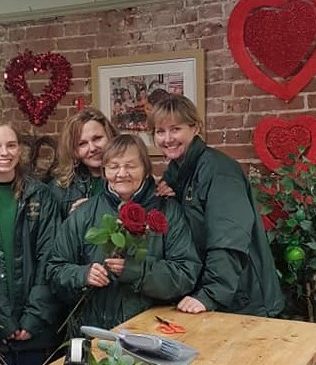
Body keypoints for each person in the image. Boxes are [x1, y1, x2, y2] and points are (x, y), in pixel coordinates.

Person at [47, 134, 201, 332]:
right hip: (94, 331)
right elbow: (54, 270)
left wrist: (136, 271)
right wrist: (82, 274)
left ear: (146, 169)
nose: (122, 173)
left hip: (151, 331)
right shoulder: (84, 214)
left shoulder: (168, 211)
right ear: (104, 172)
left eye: (130, 166)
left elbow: (186, 273)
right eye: (113, 167)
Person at [149, 93, 283, 316]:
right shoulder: (176, 175)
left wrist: (210, 294)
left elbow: (228, 240)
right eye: (160, 131)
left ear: (195, 128)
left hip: (245, 300)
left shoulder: (219, 171)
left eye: (175, 129)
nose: (167, 138)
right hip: (215, 299)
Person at [0, 119, 62, 365]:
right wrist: (2, 321)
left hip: (36, 328)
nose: (4, 153)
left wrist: (33, 317)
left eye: (10, 145)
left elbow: (49, 258)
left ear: (19, 150)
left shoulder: (40, 195)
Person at [51, 108, 118, 219]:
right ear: (73, 150)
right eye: (82, 144)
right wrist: (74, 221)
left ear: (110, 136)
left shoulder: (128, 179)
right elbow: (55, 233)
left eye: (97, 138)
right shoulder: (60, 188)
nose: (92, 148)